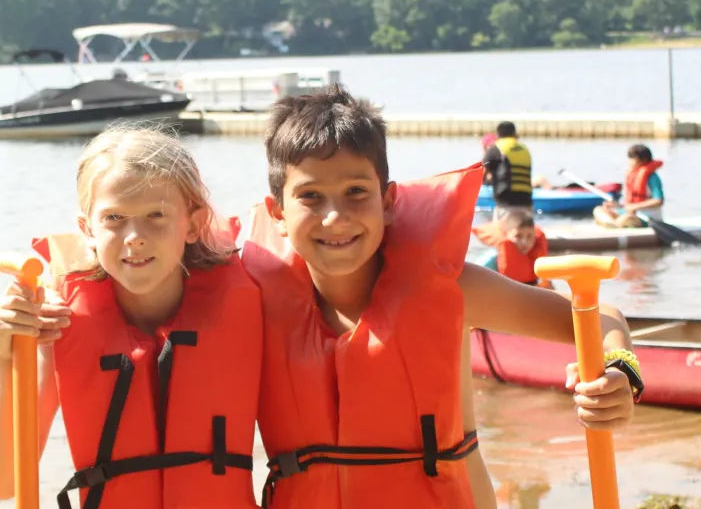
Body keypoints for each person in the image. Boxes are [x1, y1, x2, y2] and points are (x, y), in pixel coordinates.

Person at [244, 86, 639, 509]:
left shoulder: (453, 291)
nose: (336, 217)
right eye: (310, 196)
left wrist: (621, 371)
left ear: (389, 201)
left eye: (357, 191)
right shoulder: (253, 303)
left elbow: (602, 319)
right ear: (277, 213)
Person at [0, 125, 263, 508]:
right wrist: (8, 354)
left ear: (193, 224)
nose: (134, 236)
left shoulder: (250, 304)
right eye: (114, 218)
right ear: (87, 230)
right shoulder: (59, 322)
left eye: (156, 215)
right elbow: (2, 483)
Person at [473, 207, 553, 290]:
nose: (525, 242)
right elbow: (473, 281)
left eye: (530, 236)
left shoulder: (538, 256)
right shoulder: (493, 258)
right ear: (507, 234)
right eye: (518, 236)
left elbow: (550, 287)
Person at [593, 144, 664, 228]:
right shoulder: (633, 175)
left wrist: (634, 207)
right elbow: (628, 204)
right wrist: (617, 206)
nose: (630, 162)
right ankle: (613, 224)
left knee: (626, 218)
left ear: (643, 160)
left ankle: (613, 224)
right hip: (628, 212)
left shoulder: (652, 178)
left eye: (633, 159)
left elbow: (658, 201)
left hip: (646, 216)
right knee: (599, 210)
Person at [481, 121, 534, 222]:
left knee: (500, 235)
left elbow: (482, 173)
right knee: (525, 236)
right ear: (514, 133)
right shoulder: (525, 149)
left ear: (498, 134)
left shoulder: (496, 149)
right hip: (527, 202)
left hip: (506, 203)